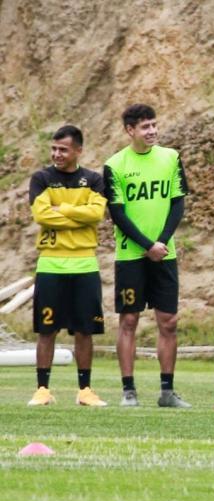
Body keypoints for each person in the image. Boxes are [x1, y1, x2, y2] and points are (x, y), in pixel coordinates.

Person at [103, 104, 189, 407]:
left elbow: (178, 203)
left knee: (168, 321)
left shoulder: (171, 157)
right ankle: (129, 391)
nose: (152, 131)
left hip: (164, 253)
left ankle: (167, 392)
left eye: (154, 125)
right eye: (144, 127)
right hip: (130, 256)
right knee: (129, 320)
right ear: (130, 131)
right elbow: (118, 214)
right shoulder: (115, 165)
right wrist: (146, 245)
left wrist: (161, 243)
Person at [27, 125, 108, 407]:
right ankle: (42, 389)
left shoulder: (94, 180)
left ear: (78, 151)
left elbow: (96, 214)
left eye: (63, 149)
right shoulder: (41, 178)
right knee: (46, 330)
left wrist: (62, 209)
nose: (57, 154)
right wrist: (78, 214)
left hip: (85, 264)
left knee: (85, 330)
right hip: (51, 264)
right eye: (54, 149)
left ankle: (85, 390)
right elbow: (42, 215)